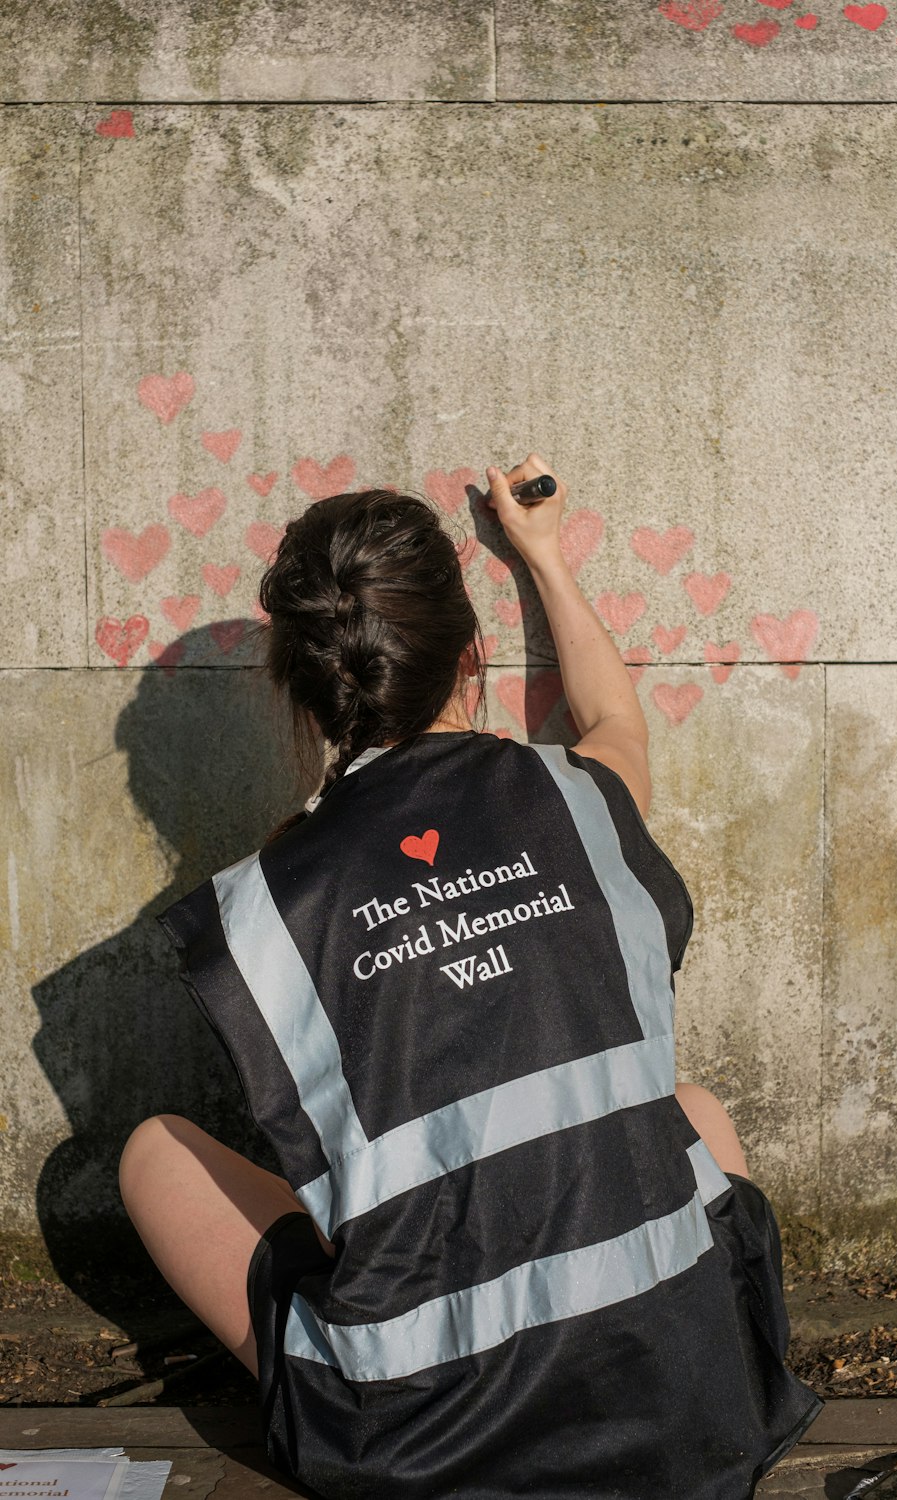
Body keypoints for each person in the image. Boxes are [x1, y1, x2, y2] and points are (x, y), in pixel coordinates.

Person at [119, 453, 823, 1499]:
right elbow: (609, 721)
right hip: (686, 1401)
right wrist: (541, 553)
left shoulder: (260, 906)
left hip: (418, 1444)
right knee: (695, 1112)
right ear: (473, 655)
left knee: (152, 1153)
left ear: (301, 696)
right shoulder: (583, 800)